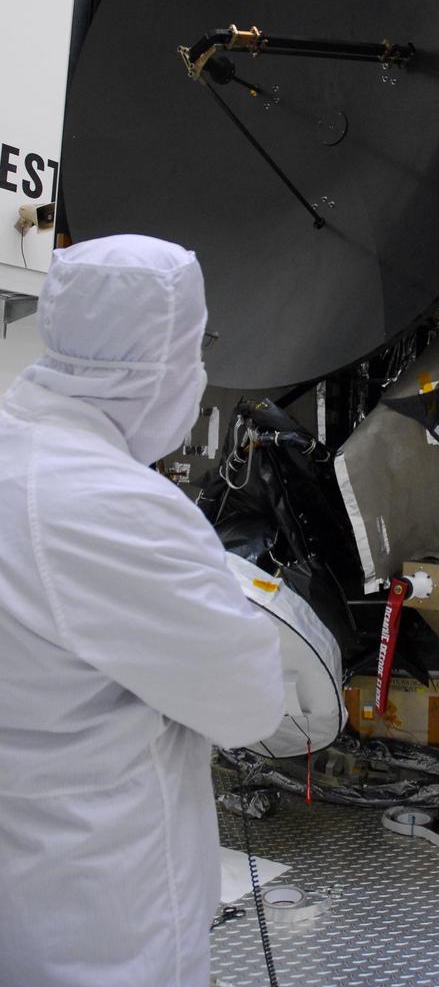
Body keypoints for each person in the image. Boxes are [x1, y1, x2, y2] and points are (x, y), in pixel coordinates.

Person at [0, 235, 289, 987]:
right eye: (194, 348)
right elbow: (249, 700)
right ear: (155, 362)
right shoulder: (114, 509)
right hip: (97, 914)